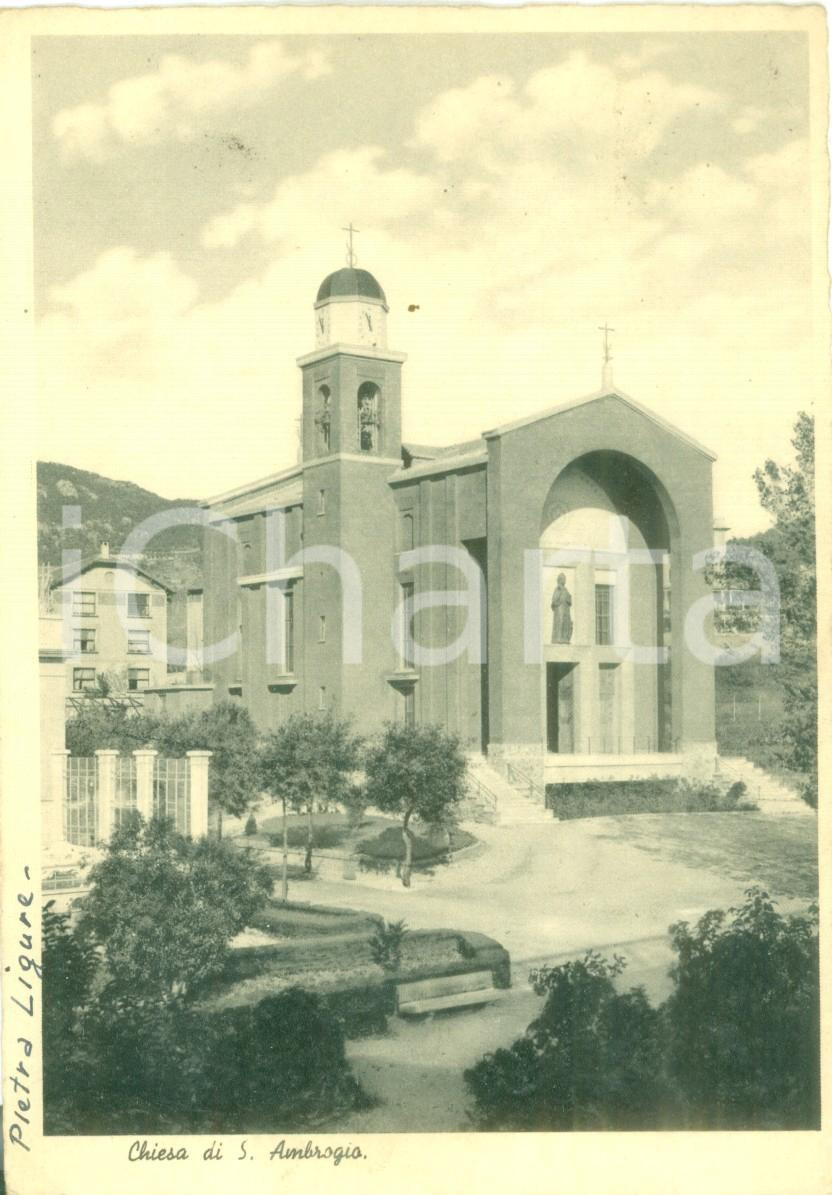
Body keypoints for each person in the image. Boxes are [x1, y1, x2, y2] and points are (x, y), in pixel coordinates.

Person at [551, 572, 573, 643]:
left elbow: (569, 599)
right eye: (563, 579)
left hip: (566, 609)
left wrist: (568, 598)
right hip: (559, 608)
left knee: (566, 623)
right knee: (560, 622)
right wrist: (558, 601)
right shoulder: (557, 589)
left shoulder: (566, 589)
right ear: (560, 579)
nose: (565, 580)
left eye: (565, 579)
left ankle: (565, 638)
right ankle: (558, 638)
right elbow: (554, 600)